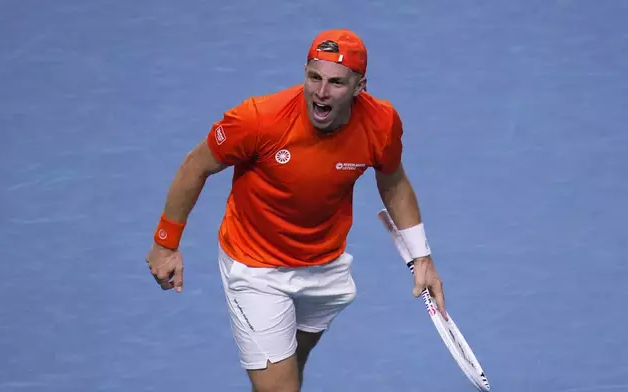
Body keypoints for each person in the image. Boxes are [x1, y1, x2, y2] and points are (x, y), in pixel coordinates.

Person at [145, 29, 447, 392]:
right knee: (280, 387)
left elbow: (393, 181)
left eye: (336, 83)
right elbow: (197, 165)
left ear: (359, 86)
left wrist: (422, 258)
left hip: (324, 266)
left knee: (292, 367)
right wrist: (166, 242)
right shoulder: (258, 119)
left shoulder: (382, 124)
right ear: (304, 72)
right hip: (255, 267)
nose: (321, 92)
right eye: (314, 77)